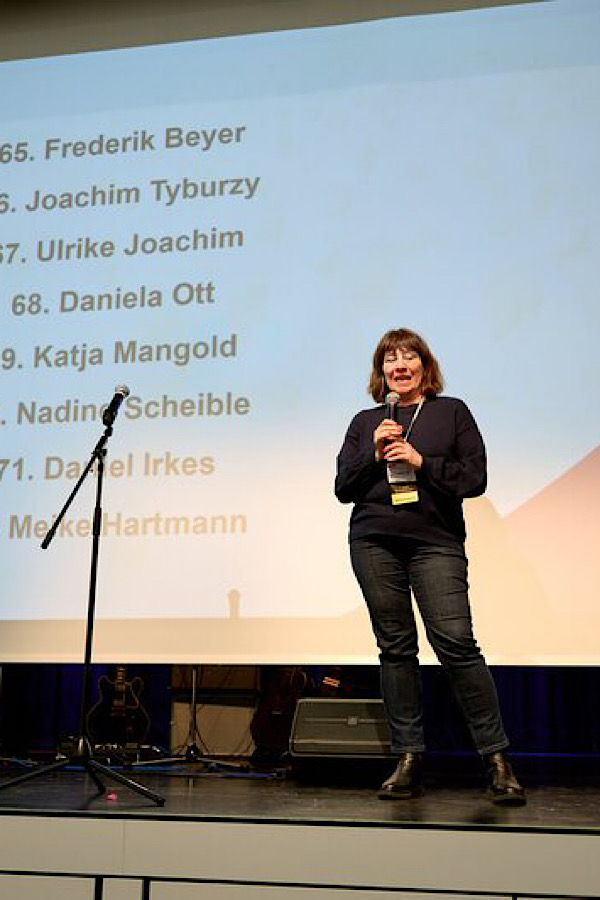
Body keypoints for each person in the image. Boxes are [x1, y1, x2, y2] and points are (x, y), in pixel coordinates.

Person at [334, 327, 525, 804]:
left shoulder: (451, 411)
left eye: (408, 357)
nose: (399, 366)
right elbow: (343, 488)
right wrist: (373, 453)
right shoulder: (365, 421)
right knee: (395, 648)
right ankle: (408, 758)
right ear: (381, 372)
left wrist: (421, 461)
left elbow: (475, 478)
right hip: (374, 541)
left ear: (425, 366)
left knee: (456, 643)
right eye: (390, 360)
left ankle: (496, 759)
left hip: (435, 542)